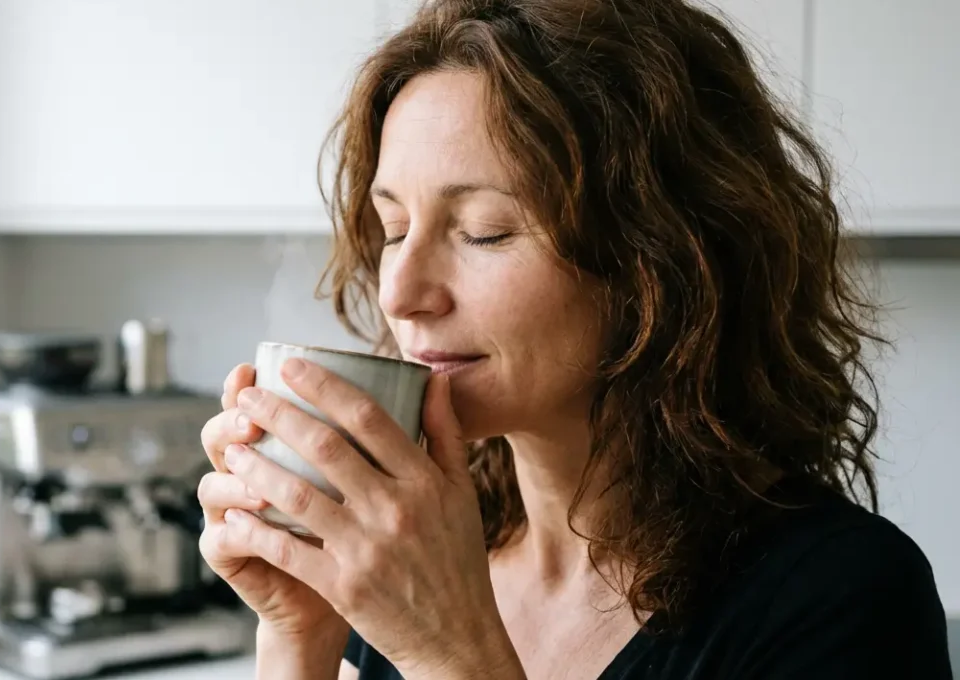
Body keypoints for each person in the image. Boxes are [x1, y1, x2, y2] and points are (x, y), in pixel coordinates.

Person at [197, 0, 954, 678]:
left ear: (660, 259)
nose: (399, 294)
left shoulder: (843, 597)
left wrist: (450, 657)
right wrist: (300, 631)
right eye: (394, 228)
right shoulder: (413, 549)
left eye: (483, 231)